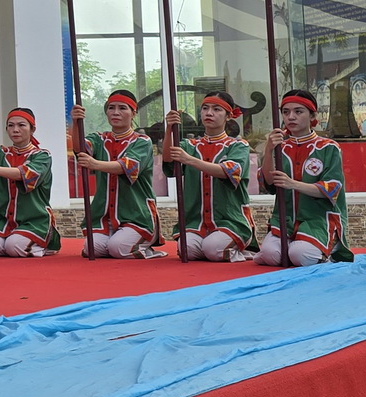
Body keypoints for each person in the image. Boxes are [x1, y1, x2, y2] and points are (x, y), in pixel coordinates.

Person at [257, 89, 351, 267]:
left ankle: (330, 247)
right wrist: (268, 150)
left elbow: (331, 189)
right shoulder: (279, 147)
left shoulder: (328, 147)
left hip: (318, 220)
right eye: (286, 112)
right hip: (284, 220)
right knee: (271, 255)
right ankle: (298, 245)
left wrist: (293, 184)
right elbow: (268, 184)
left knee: (300, 256)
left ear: (312, 115)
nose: (291, 117)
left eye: (298, 112)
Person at [162, 92, 255, 263]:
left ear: (228, 116)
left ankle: (242, 249)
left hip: (229, 220)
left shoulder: (238, 146)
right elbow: (169, 158)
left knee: (214, 250)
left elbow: (228, 171)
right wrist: (169, 128)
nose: (209, 113)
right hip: (196, 222)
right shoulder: (189, 145)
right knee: (186, 250)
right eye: (205, 108)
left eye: (216, 109)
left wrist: (189, 160)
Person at [72, 91, 162, 258]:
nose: (115, 112)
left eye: (122, 108)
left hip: (136, 215)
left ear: (133, 113)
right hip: (105, 216)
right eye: (111, 108)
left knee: (118, 248)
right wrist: (76, 121)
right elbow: (79, 148)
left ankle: (148, 249)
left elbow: (127, 166)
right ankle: (117, 240)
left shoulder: (142, 141)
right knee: (92, 248)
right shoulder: (99, 139)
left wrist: (94, 164)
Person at [0, 108, 57, 258]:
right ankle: (14, 242)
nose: (15, 130)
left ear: (32, 129)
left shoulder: (42, 155)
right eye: (11, 125)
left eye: (21, 125)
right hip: (5, 221)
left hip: (35, 220)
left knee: (14, 246)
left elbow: (26, 174)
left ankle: (45, 245)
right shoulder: (2, 153)